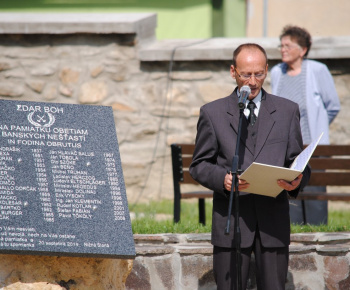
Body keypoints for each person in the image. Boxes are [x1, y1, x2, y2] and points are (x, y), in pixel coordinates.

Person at [189, 43, 311, 290]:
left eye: (259, 74)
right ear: (233, 71)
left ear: (267, 70)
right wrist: (222, 179)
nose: (253, 82)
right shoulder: (213, 113)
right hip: (232, 221)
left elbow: (298, 161)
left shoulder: (287, 111)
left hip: (272, 222)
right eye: (246, 75)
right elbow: (200, 164)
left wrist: (298, 179)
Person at [271, 25, 341, 225]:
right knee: (290, 195)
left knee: (314, 198)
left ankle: (317, 235)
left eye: (288, 45)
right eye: (281, 45)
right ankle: (294, 235)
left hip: (313, 147)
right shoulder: (276, 72)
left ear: (302, 50)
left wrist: (319, 128)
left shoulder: (318, 70)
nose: (283, 49)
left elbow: (333, 106)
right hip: (286, 147)